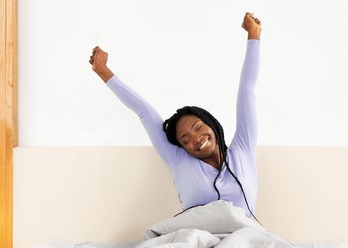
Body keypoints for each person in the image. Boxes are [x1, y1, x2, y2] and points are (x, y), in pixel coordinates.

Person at [89, 12, 262, 218]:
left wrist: (254, 34)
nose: (196, 139)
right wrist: (102, 70)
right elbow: (144, 112)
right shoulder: (178, 159)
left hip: (242, 239)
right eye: (185, 139)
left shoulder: (243, 149)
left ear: (212, 125)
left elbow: (247, 90)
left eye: (198, 128)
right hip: (192, 241)